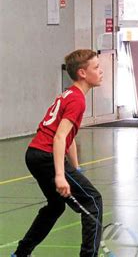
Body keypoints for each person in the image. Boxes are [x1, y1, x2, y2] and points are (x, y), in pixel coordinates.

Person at [13, 49, 104, 257]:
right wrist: (61, 175)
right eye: (96, 67)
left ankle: (21, 253)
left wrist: (76, 167)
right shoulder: (77, 100)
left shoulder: (69, 94)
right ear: (82, 73)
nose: (101, 71)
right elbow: (59, 137)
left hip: (34, 154)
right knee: (93, 201)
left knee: (55, 207)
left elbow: (67, 136)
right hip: (46, 156)